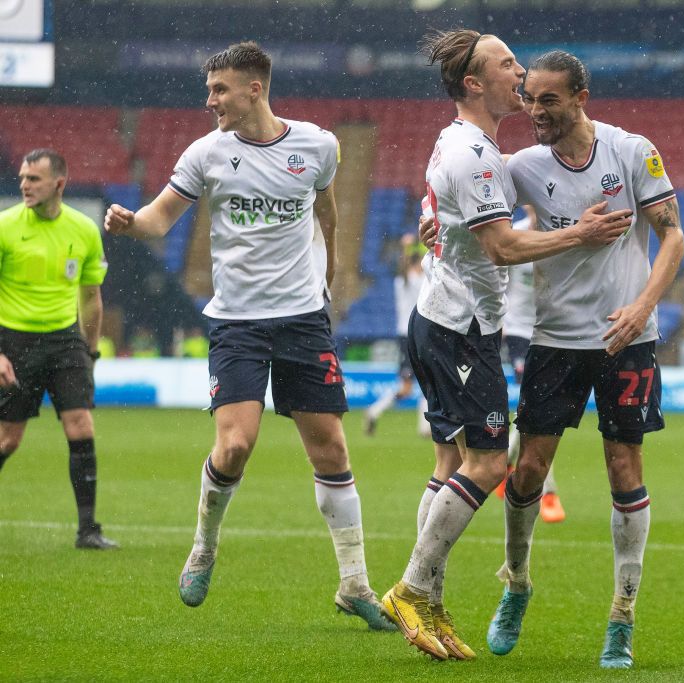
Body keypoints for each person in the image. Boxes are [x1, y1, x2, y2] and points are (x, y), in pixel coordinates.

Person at [103, 42, 394, 630]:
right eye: (209, 90)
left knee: (332, 450)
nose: (210, 101)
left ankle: (355, 584)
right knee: (236, 446)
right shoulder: (207, 152)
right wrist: (132, 224)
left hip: (303, 319)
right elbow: (161, 216)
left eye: (220, 91)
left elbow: (328, 212)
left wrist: (332, 274)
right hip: (237, 320)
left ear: (254, 88)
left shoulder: (316, 145)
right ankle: (204, 547)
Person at [381, 29, 632, 662]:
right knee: (491, 465)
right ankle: (411, 589)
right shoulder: (478, 155)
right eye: (506, 63)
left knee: (452, 466)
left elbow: (440, 214)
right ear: (474, 83)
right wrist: (581, 233)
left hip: (445, 318)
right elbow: (503, 247)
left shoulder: (463, 142)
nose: (518, 71)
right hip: (461, 326)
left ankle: (430, 606)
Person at [482, 51, 684, 670]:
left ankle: (622, 615)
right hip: (555, 340)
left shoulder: (631, 152)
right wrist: (433, 219)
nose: (535, 111)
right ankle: (516, 582)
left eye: (548, 100)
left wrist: (640, 309)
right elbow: (475, 208)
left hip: (628, 339)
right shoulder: (522, 167)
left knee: (624, 468)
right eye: (528, 99)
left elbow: (672, 235)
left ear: (581, 96)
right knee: (527, 474)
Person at [0, 148, 118, 550]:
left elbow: (91, 297)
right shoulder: (5, 227)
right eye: (22, 178)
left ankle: (88, 530)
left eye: (33, 179)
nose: (24, 186)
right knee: (8, 440)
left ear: (59, 184)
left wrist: (91, 350)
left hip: (65, 340)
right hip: (12, 340)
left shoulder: (84, 230)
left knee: (81, 426)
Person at [495, 206, 565, 524]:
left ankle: (503, 465)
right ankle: (548, 492)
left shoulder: (562, 233)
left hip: (552, 331)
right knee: (536, 404)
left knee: (538, 407)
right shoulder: (515, 234)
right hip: (520, 331)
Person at [363, 233, 429, 439]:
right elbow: (405, 267)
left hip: (414, 334)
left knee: (415, 384)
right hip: (409, 335)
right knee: (419, 382)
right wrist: (406, 249)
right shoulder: (406, 280)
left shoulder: (415, 280)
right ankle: (423, 427)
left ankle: (376, 411)